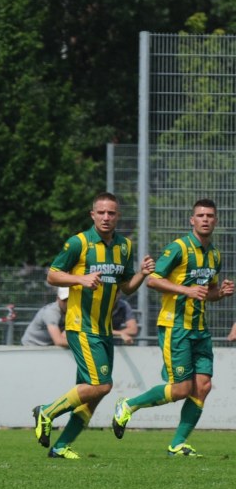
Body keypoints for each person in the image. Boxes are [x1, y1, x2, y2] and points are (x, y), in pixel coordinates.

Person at [33, 192, 155, 459]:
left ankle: (61, 446)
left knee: (93, 394)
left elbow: (126, 288)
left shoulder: (124, 246)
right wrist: (80, 279)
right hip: (81, 326)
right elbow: (52, 275)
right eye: (101, 212)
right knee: (102, 385)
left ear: (117, 216)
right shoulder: (79, 243)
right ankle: (47, 412)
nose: (106, 217)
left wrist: (142, 275)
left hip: (104, 330)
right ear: (93, 215)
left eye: (111, 213)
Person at [112, 199, 234, 456]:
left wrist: (219, 293)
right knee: (181, 389)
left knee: (203, 386)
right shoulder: (179, 248)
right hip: (175, 327)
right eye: (200, 215)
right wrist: (185, 290)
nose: (205, 219)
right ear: (192, 220)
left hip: (200, 329)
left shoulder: (214, 254)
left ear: (216, 221)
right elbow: (153, 281)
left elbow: (207, 292)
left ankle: (177, 444)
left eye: (210, 215)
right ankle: (129, 405)